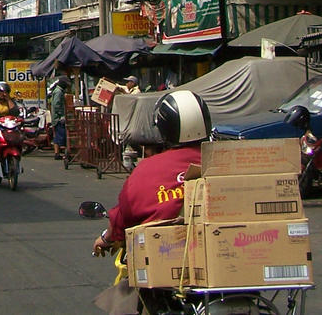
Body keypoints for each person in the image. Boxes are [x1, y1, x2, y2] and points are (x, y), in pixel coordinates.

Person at [92, 89, 211, 258]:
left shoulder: (146, 170)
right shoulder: (225, 162)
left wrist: (106, 238)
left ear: (164, 127)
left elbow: (124, 214)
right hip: (226, 258)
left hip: (161, 263)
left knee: (122, 286)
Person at [49, 76, 70, 160]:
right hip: (58, 118)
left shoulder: (58, 91)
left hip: (56, 117)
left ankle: (57, 153)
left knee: (57, 136)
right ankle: (64, 153)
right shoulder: (58, 92)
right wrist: (62, 115)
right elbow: (57, 105)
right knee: (62, 136)